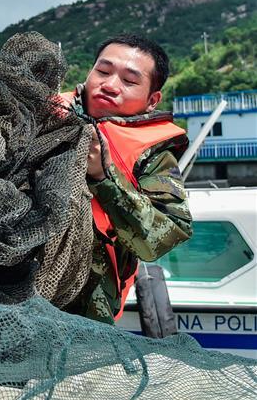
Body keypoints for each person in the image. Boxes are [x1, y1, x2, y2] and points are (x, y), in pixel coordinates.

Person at [60, 34, 192, 324]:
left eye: (129, 81)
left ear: (151, 100)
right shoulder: (43, 114)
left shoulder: (155, 156)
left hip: (83, 312)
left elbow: (160, 240)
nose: (110, 85)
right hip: (5, 289)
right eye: (103, 72)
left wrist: (103, 177)